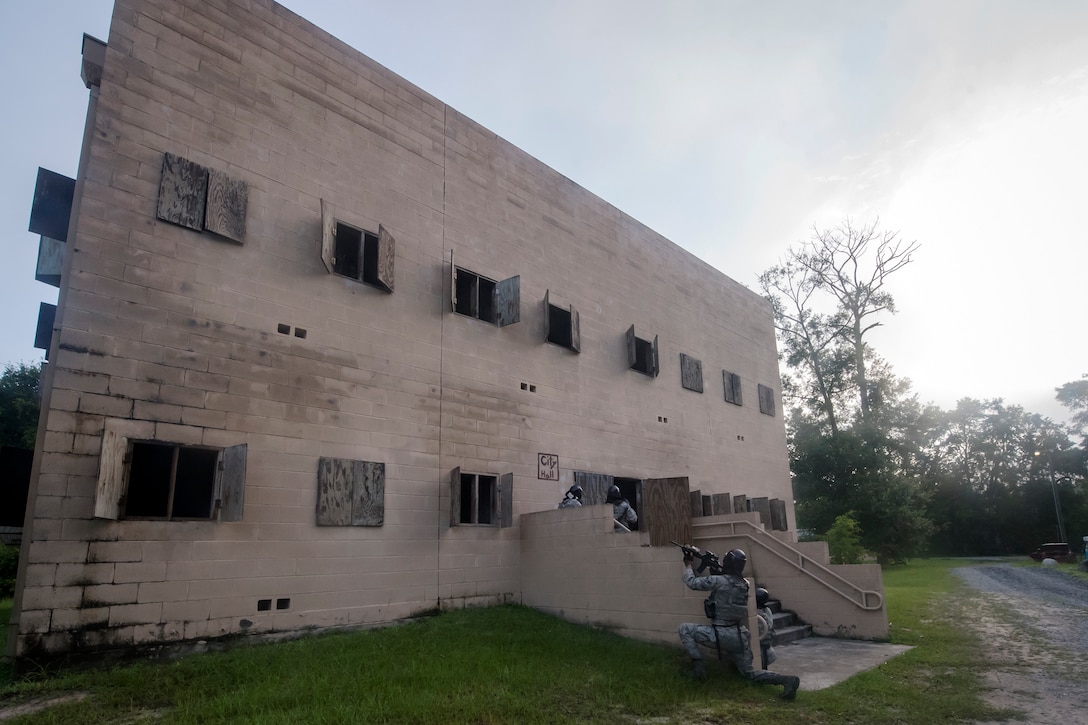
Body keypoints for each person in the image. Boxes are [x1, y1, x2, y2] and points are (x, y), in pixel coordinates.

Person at [677, 547, 800, 700]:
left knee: (684, 629)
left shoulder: (719, 581)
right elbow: (728, 585)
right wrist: (715, 569)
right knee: (750, 673)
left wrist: (688, 564)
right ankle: (786, 680)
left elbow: (692, 582)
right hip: (740, 636)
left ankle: (698, 669)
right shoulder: (745, 584)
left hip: (721, 634)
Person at [754, 587, 777, 667]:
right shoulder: (765, 611)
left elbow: (769, 625)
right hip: (764, 638)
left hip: (764, 638)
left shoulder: (764, 611)